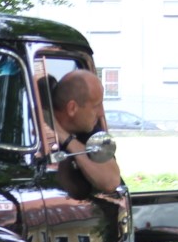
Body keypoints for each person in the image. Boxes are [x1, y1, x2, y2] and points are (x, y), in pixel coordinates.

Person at [49, 68, 123, 197]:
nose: (101, 113)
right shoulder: (38, 135)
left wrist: (66, 139)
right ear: (72, 108)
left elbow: (111, 181)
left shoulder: (90, 131)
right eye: (96, 106)